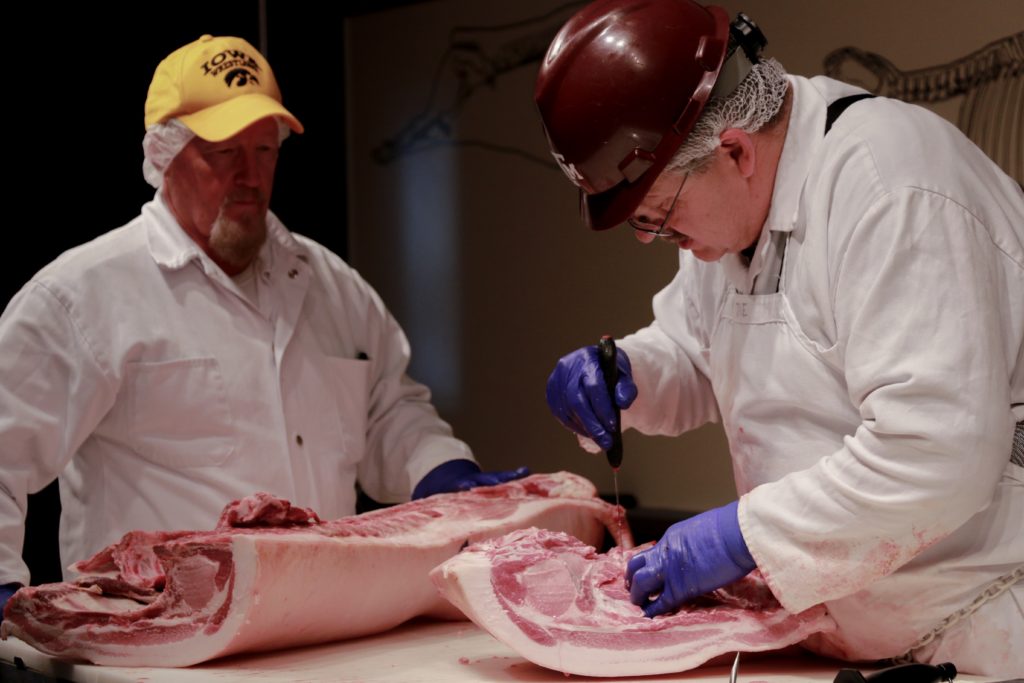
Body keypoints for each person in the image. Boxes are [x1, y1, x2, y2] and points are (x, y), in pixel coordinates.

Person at [537, 0, 1023, 677]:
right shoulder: (731, 211)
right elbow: (702, 352)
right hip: (840, 627)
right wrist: (630, 375)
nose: (659, 242)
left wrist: (740, 534)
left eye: (664, 220)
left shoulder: (891, 188)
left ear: (734, 150)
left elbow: (938, 451)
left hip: (978, 625)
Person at [0, 35, 526, 620]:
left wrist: (443, 474)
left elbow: (390, 413)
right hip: (159, 641)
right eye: (224, 151)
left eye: (265, 149)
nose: (250, 175)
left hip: (323, 628)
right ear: (165, 154)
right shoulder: (83, 295)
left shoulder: (331, 284)